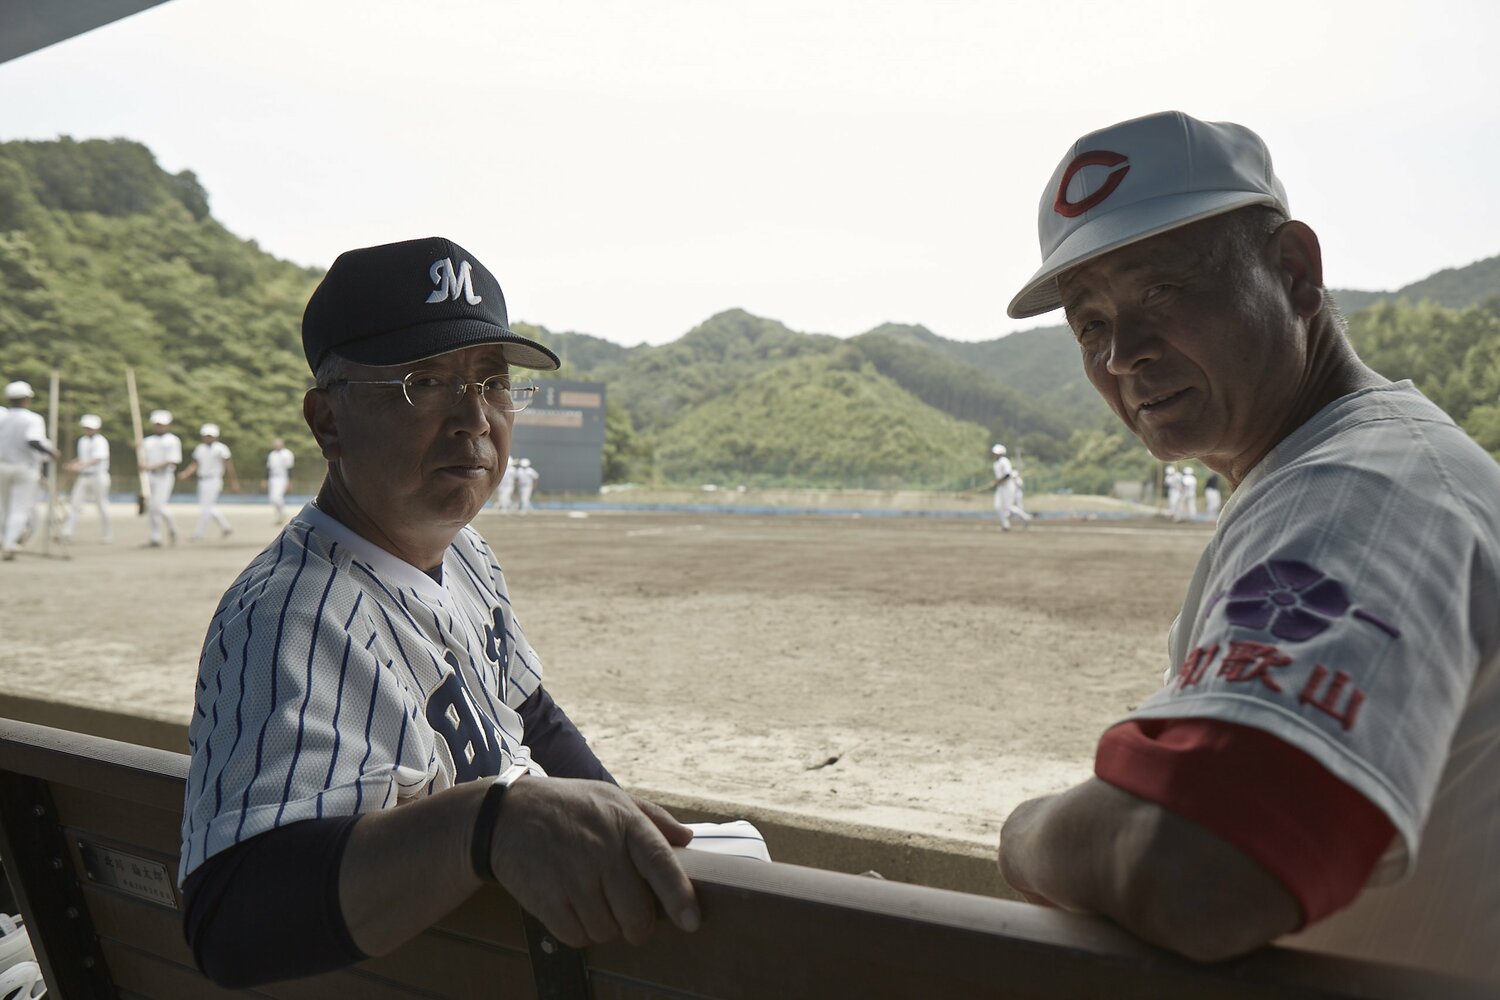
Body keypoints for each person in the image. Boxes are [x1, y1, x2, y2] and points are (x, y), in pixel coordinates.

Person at [997, 111, 1500, 983]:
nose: (1122, 355)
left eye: (1162, 290)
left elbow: (1201, 874)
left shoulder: (1360, 488)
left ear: (1295, 274)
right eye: (1090, 325)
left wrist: (1024, 833)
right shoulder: (1349, 467)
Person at [178, 237, 702, 989]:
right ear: (328, 421)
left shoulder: (467, 553)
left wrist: (622, 829)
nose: (475, 418)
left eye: (493, 382)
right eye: (424, 381)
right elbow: (230, 924)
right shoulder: (294, 619)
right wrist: (485, 826)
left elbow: (531, 712)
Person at [0, 381, 59, 561]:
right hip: (24, 468)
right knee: (19, 508)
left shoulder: (2, 417)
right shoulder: (32, 419)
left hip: (2, 466)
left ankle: (3, 539)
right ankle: (10, 542)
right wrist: (51, 452)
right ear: (27, 399)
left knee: (3, 507)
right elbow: (33, 441)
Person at [179, 423, 238, 540]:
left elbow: (228, 466)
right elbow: (195, 464)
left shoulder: (221, 448)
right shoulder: (200, 449)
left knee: (206, 508)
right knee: (207, 507)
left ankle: (198, 533)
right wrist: (186, 473)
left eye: (210, 436)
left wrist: (233, 481)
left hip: (214, 479)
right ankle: (226, 527)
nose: (208, 438)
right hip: (202, 480)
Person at [63, 413, 113, 543]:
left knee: (102, 505)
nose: (88, 430)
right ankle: (67, 532)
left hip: (98, 476)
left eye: (90, 428)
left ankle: (107, 534)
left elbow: (96, 459)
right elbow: (83, 457)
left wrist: (79, 466)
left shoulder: (100, 441)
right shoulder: (82, 441)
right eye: (86, 428)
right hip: (84, 477)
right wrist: (72, 463)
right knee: (75, 503)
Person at [140, 410, 182, 547]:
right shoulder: (147, 441)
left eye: (162, 424)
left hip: (164, 476)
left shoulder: (172, 440)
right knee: (151, 508)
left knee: (157, 506)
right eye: (157, 424)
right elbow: (143, 460)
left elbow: (172, 460)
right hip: (149, 476)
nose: (159, 427)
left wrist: (150, 466)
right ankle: (155, 537)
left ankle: (173, 528)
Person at [974, 444, 1021, 530]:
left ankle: (1024, 517)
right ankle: (1005, 525)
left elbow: (1007, 475)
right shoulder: (996, 463)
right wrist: (996, 483)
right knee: (998, 506)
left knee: (1007, 507)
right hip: (1001, 487)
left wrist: (997, 482)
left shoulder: (1004, 461)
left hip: (1008, 486)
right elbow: (999, 477)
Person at [264, 437, 295, 522]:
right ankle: (279, 515)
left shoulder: (287, 454)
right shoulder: (272, 454)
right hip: (272, 477)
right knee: (272, 498)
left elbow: (290, 468)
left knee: (277, 497)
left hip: (282, 478)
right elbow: (268, 468)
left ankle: (282, 514)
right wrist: (265, 480)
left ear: (282, 444)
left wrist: (290, 481)